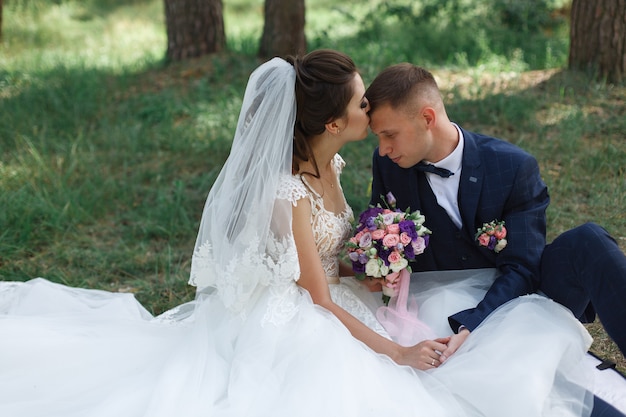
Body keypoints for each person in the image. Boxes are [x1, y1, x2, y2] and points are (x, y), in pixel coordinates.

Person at [0, 50, 594, 416]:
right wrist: (397, 353)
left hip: (345, 294)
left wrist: (377, 262)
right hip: (302, 318)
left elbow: (344, 259)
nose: (372, 111)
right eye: (364, 105)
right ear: (336, 122)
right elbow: (316, 295)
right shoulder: (286, 191)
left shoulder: (333, 162)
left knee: (474, 342)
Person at [365, 62, 626, 416]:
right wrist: (384, 268)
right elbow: (383, 232)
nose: (382, 149)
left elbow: (523, 266)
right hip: (439, 310)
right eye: (378, 137)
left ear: (427, 117)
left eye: (389, 135)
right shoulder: (388, 166)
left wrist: (475, 323)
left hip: (516, 295)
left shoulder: (512, 167)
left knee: (589, 241)